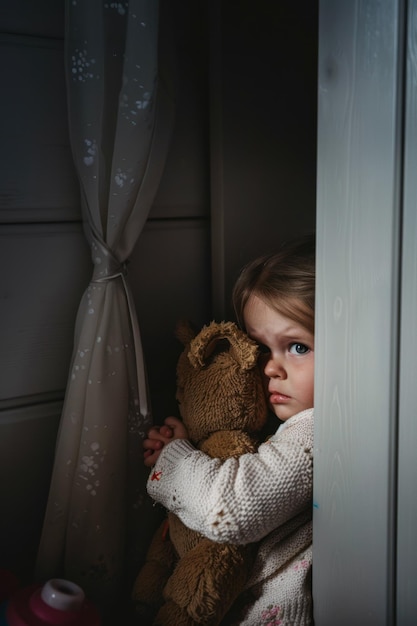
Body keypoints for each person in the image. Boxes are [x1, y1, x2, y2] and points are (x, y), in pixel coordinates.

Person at [143, 233, 315, 625]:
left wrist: (174, 459)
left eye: (298, 347)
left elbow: (231, 511)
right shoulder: (284, 421)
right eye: (260, 348)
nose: (270, 368)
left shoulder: (314, 433)